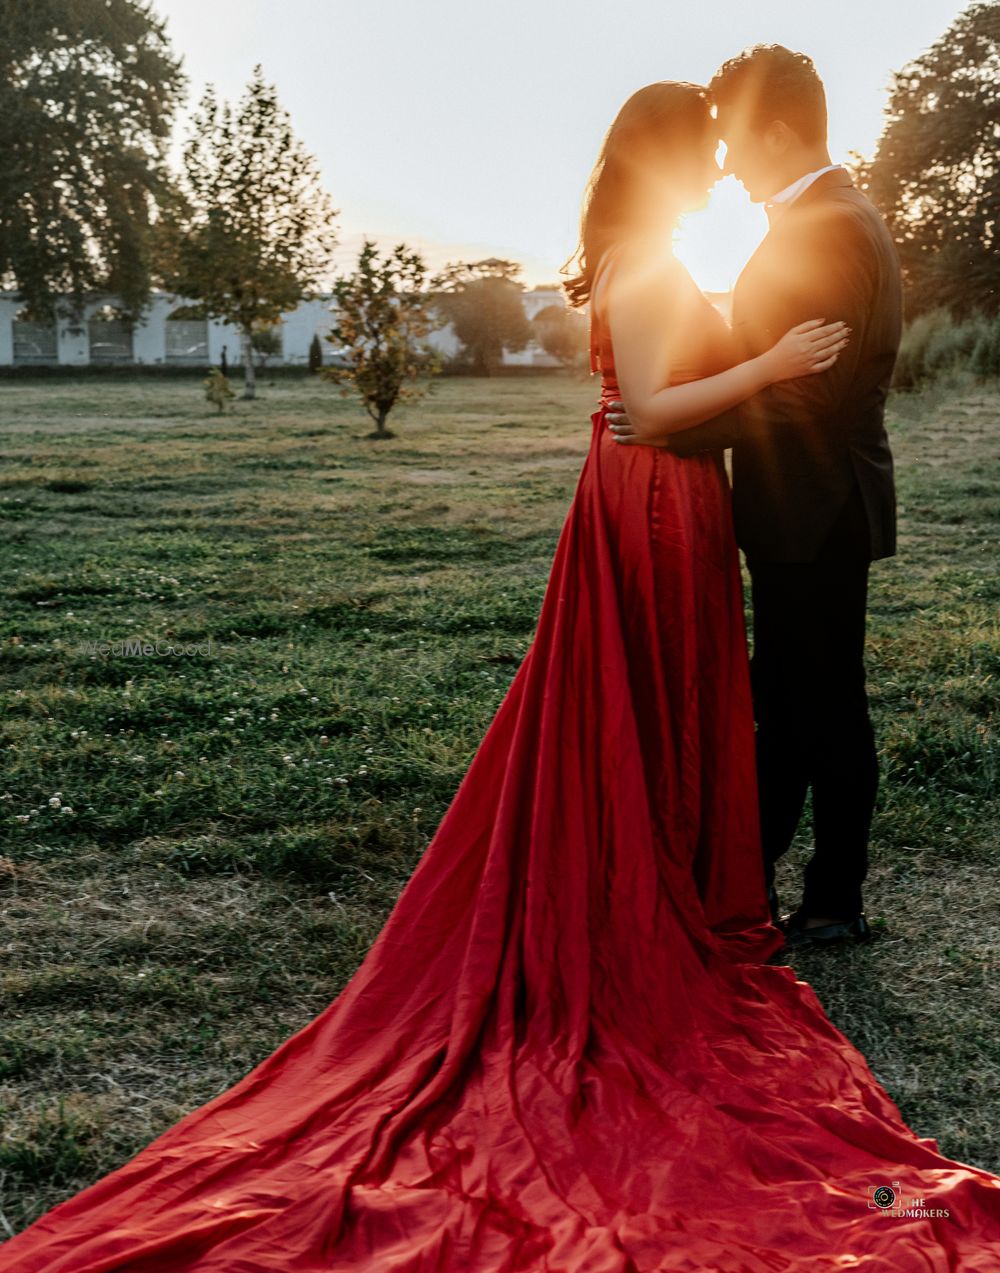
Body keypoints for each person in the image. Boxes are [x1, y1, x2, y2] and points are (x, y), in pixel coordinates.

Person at [2, 80, 999, 1273]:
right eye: (705, 146)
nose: (720, 160)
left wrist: (735, 376)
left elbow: (663, 402)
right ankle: (662, 883)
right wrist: (769, 359)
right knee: (657, 700)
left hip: (672, 491)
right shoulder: (638, 258)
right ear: (668, 160)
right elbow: (656, 401)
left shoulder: (664, 253)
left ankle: (685, 865)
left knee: (688, 704)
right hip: (653, 505)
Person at [609, 46, 900, 949]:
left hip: (817, 508)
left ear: (776, 132)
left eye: (734, 140)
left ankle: (834, 898)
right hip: (800, 509)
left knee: (822, 705)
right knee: (781, 698)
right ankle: (747, 878)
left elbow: (806, 395)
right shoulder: (819, 216)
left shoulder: (831, 226)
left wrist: (668, 426)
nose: (726, 161)